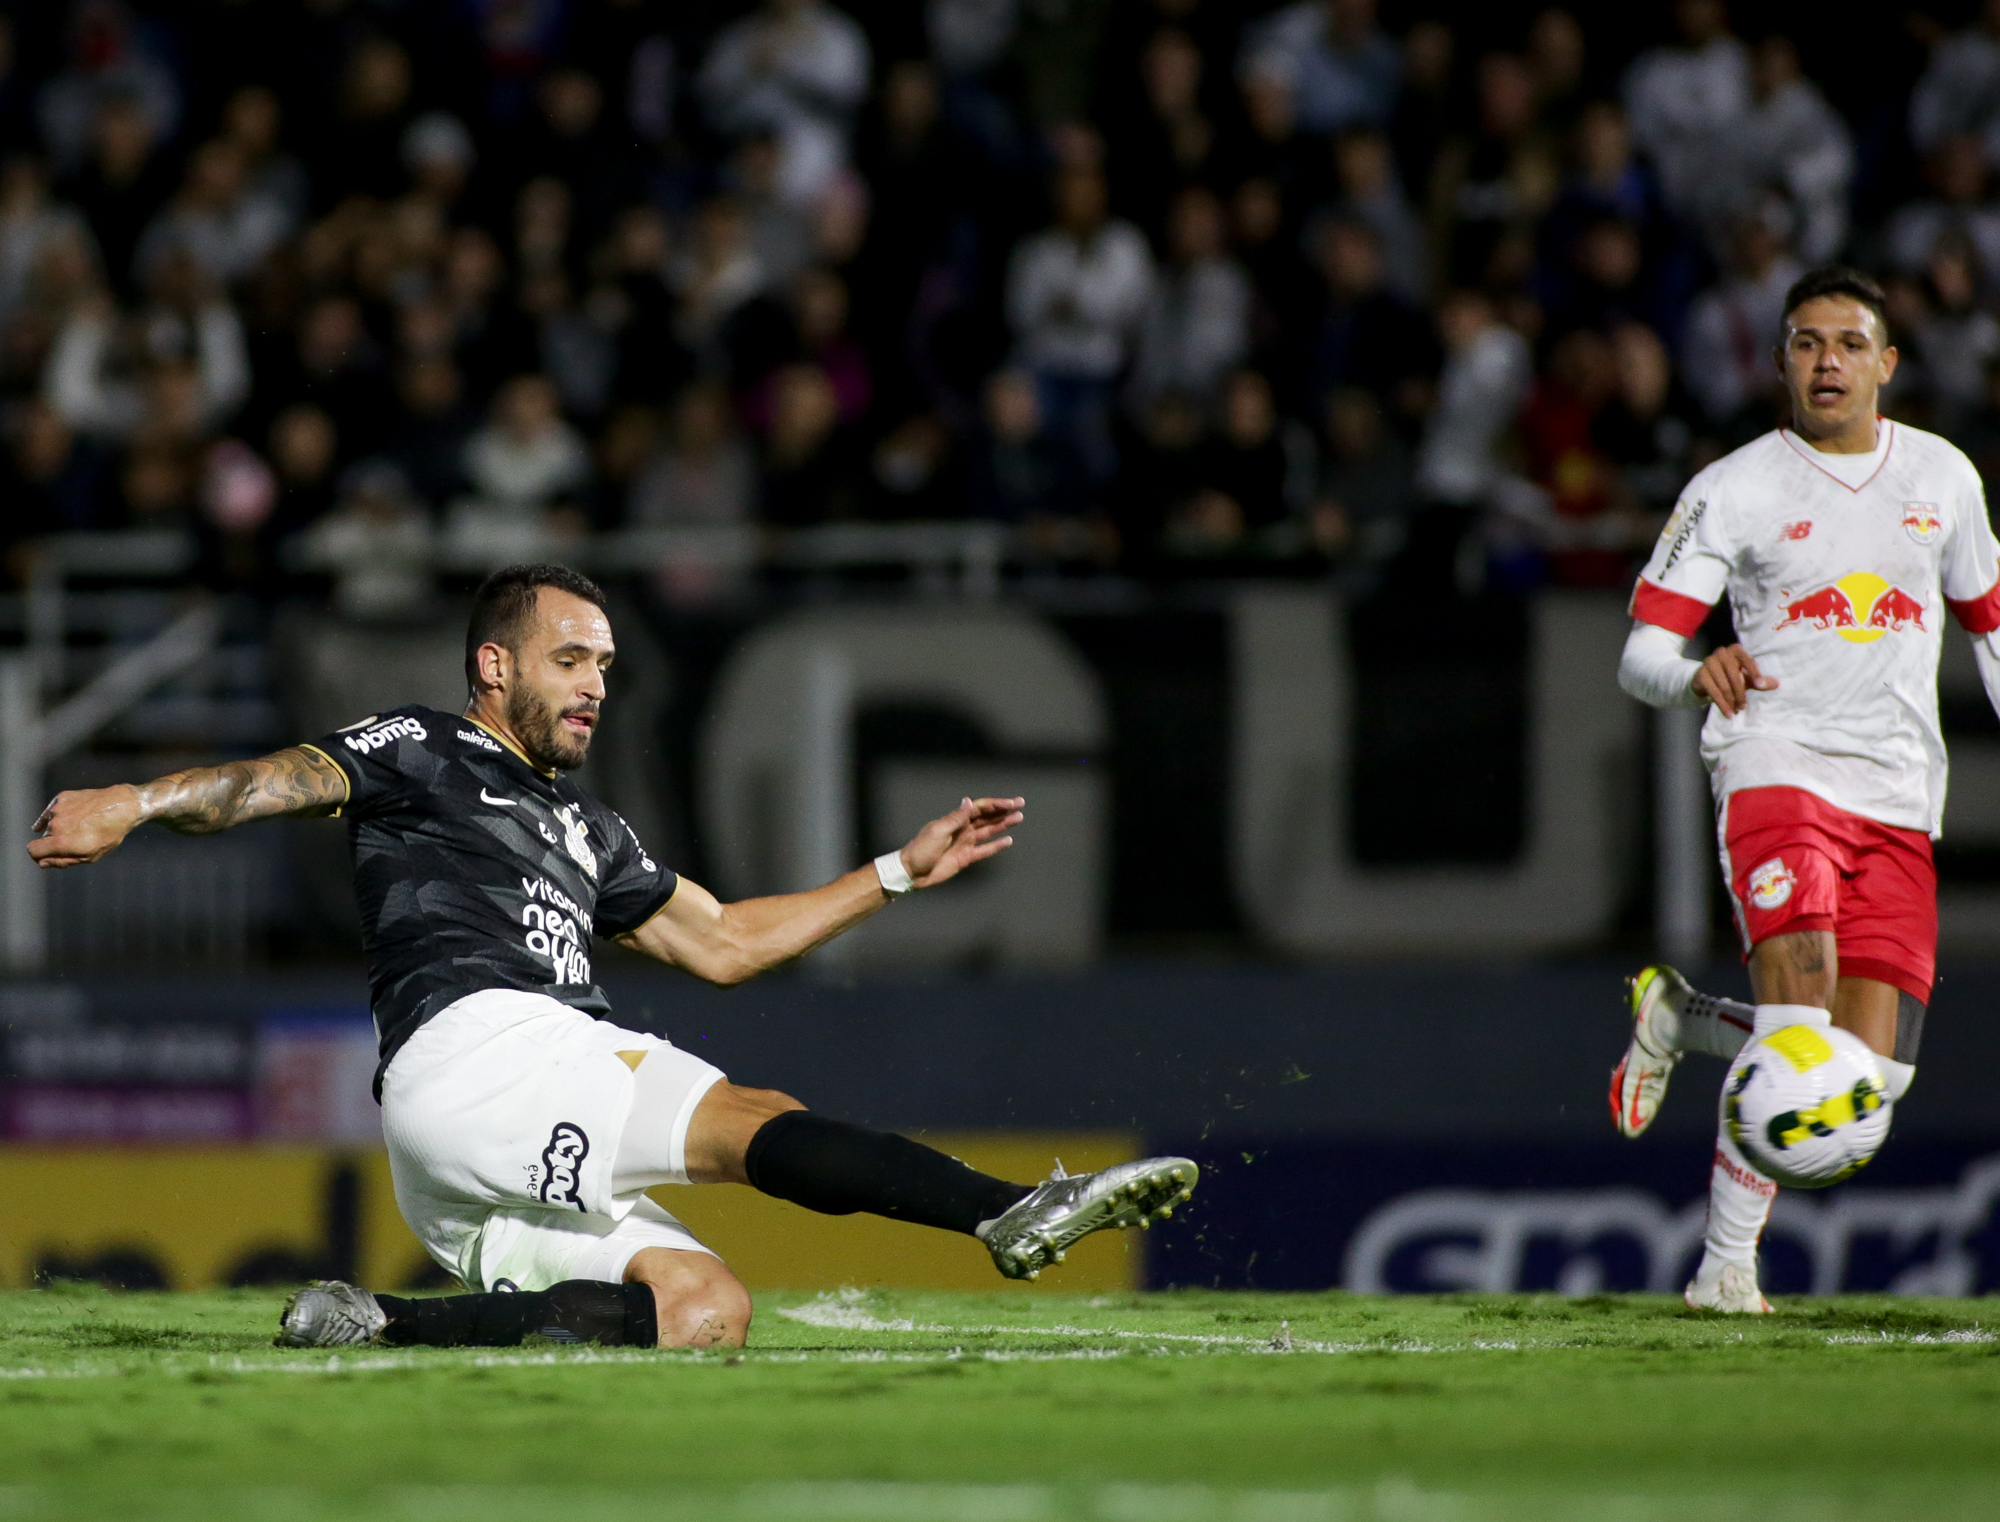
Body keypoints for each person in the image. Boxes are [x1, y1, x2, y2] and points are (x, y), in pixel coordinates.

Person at [27, 564, 1198, 1349]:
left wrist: (892, 872)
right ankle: (1009, 1210)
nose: (594, 685)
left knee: (703, 1310)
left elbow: (727, 942)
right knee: (751, 1116)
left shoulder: (589, 830)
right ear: (494, 666)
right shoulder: (425, 746)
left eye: (603, 665)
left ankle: (373, 1322)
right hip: (484, 1047)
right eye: (570, 659)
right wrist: (134, 798)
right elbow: (270, 782)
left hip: (462, 1136)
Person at [1611, 268, 2000, 1313]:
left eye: (1845, 342)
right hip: (1773, 762)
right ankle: (1723, 1268)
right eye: (1802, 342)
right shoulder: (1730, 488)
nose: (1824, 361)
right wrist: (1695, 669)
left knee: (1866, 1090)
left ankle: (1682, 1020)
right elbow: (1640, 654)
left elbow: (1989, 626)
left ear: (1885, 363)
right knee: (1800, 1020)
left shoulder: (1942, 479)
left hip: (1896, 789)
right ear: (1778, 361)